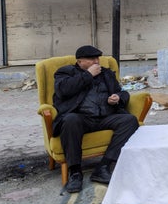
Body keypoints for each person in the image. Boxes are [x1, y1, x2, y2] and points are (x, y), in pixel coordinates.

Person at [53, 45, 139, 193]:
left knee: (129, 120)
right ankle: (75, 172)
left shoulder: (106, 73)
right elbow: (63, 91)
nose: (96, 62)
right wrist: (88, 75)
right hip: (81, 118)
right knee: (70, 120)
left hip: (105, 116)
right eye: (92, 59)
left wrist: (117, 98)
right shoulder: (65, 72)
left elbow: (122, 92)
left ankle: (104, 166)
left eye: (97, 58)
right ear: (80, 61)